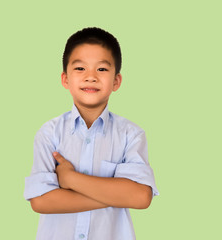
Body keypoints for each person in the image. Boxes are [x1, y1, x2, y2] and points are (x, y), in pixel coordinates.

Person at [24, 27, 159, 240]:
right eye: (80, 68)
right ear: (65, 79)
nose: (90, 77)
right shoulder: (49, 133)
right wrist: (118, 195)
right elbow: (41, 201)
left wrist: (71, 179)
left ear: (116, 81)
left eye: (102, 69)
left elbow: (141, 197)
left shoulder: (131, 134)